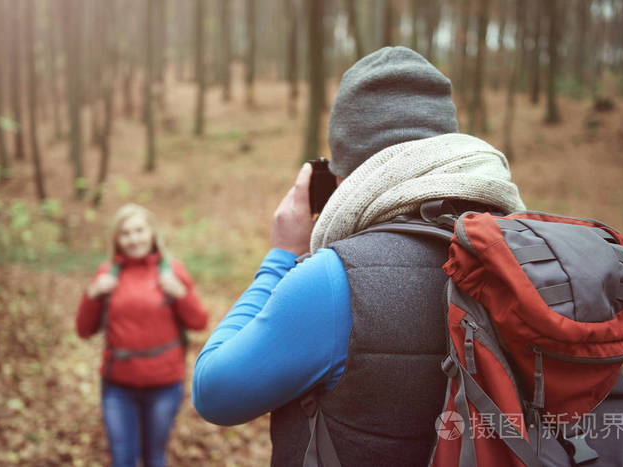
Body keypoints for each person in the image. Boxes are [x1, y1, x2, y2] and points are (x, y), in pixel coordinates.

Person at [192, 46, 525, 466]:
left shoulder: (333, 281)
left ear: (343, 173)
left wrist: (280, 256)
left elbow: (214, 392)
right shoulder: (520, 250)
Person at [76, 203, 208, 467]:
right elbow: (84, 330)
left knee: (153, 457)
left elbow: (199, 322)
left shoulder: (172, 270)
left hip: (164, 385)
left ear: (152, 233)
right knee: (122, 459)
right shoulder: (107, 273)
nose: (133, 238)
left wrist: (181, 294)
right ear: (117, 240)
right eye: (125, 233)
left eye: (139, 231)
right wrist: (92, 294)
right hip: (117, 385)